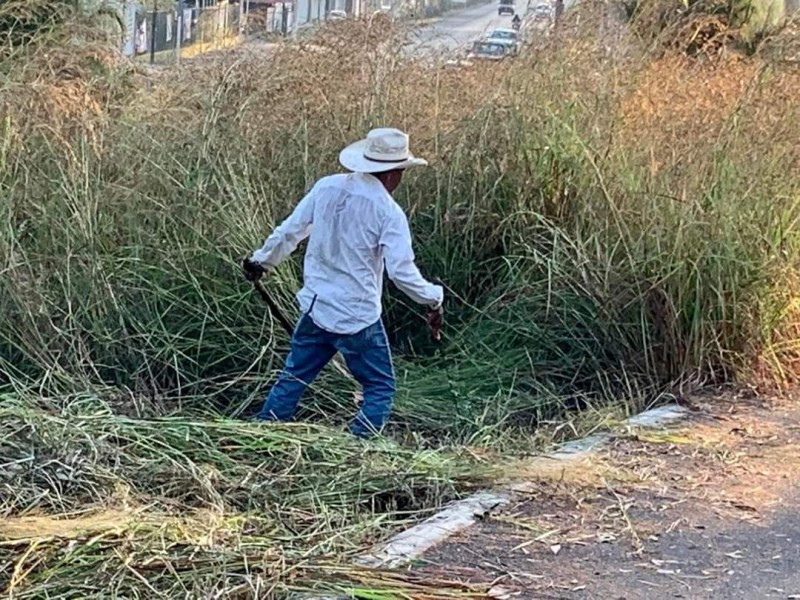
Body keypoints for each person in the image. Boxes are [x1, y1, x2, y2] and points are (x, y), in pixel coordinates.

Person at [242, 128, 444, 438]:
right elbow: (401, 273)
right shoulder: (388, 212)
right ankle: (357, 450)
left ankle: (263, 435)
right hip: (357, 318)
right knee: (379, 387)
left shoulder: (326, 188)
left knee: (294, 377)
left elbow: (289, 232)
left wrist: (260, 261)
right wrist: (433, 298)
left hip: (316, 307)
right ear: (394, 174)